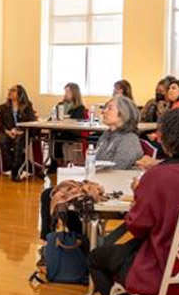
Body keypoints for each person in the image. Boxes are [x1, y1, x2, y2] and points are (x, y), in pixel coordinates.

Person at [89, 109, 179, 295]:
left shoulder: (158, 177)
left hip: (162, 272)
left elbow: (137, 227)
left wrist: (139, 194)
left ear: (168, 139)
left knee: (96, 257)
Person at [40, 95, 143, 240]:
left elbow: (118, 168)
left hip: (115, 192)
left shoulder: (129, 139)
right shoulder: (106, 135)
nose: (104, 111)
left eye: (109, 108)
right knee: (51, 194)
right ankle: (56, 240)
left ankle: (82, 242)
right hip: (99, 184)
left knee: (64, 199)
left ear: (123, 114)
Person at [0, 85, 37, 181]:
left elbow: (32, 121)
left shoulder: (27, 106)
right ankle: (12, 166)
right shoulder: (4, 107)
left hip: (23, 133)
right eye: (9, 90)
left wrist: (20, 130)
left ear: (20, 93)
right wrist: (8, 131)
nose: (10, 92)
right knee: (3, 140)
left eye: (13, 90)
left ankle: (15, 171)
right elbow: (0, 124)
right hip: (9, 133)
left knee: (18, 141)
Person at [48, 83, 88, 171]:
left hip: (72, 133)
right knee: (53, 135)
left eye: (68, 91)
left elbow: (76, 122)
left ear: (74, 93)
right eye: (65, 91)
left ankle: (58, 161)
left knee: (57, 136)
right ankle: (55, 160)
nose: (66, 93)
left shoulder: (79, 108)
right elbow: (52, 118)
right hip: (60, 131)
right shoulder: (60, 104)